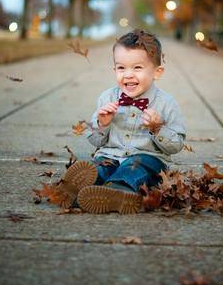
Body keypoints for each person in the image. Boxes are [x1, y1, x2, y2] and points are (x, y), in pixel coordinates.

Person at [56, 29, 187, 214]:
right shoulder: (107, 98)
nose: (128, 75)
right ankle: (78, 189)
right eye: (121, 68)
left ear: (157, 72)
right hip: (110, 155)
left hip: (147, 158)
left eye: (137, 68)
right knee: (98, 167)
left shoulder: (167, 104)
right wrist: (103, 124)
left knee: (136, 168)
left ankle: (118, 191)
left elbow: (177, 145)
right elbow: (96, 141)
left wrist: (158, 129)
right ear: (114, 69)